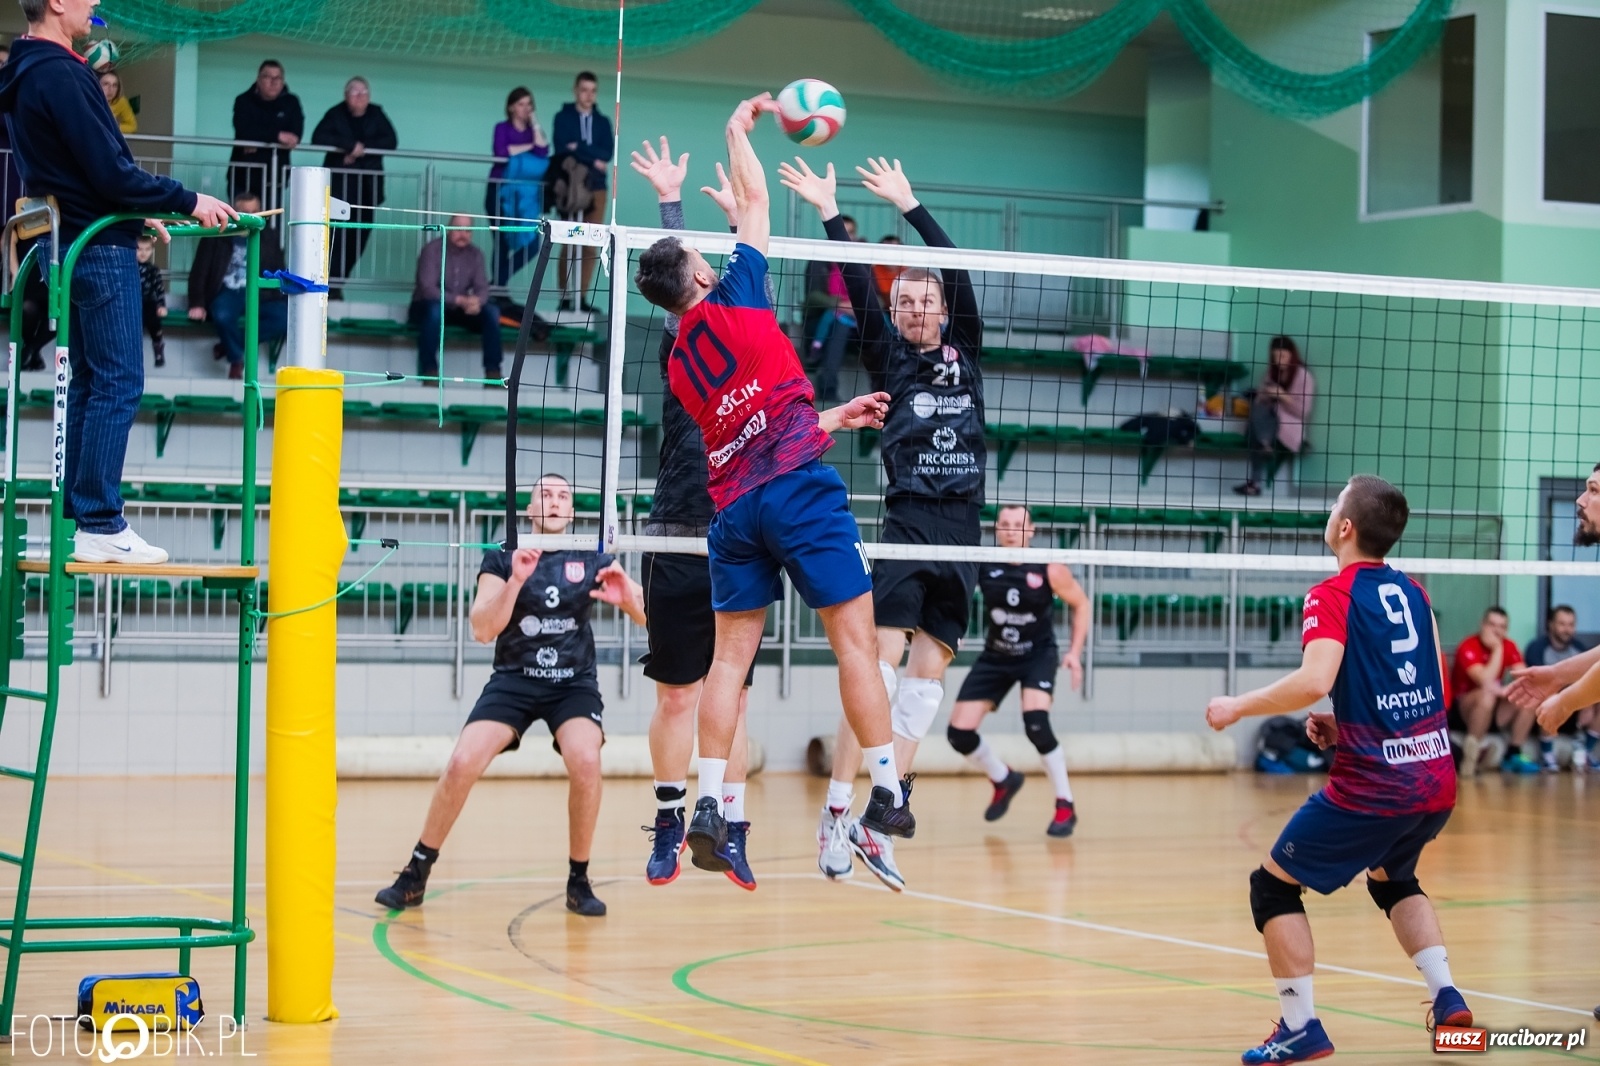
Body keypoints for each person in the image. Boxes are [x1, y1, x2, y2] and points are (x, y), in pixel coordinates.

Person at [633, 94, 913, 883]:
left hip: (735, 511)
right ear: (697, 273)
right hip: (796, 491)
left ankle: (714, 804)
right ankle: (887, 789)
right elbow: (756, 200)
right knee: (855, 641)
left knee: (725, 667)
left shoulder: (682, 362)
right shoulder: (739, 293)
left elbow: (756, 426)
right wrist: (737, 127)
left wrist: (830, 417)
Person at [1205, 474, 1470, 1064]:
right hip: (1435, 777)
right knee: (1394, 878)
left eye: (1333, 506)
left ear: (1345, 528)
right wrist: (1349, 727)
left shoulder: (1332, 594)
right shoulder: (1417, 595)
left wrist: (1237, 705)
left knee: (1271, 887)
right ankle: (1448, 999)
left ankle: (1301, 1029)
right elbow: (1432, 690)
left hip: (1374, 788)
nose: (1328, 513)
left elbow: (1313, 681)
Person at [781, 154, 984, 891]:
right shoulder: (889, 355)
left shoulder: (968, 349)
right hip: (906, 524)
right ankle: (837, 811)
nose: (915, 308)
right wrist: (833, 213)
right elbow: (862, 289)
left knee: (927, 685)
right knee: (876, 670)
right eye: (905, 304)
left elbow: (954, 268)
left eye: (925, 300)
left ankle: (876, 817)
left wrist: (909, 202)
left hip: (964, 531)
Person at [0, 0, 234, 565]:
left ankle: (87, 518)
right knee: (117, 383)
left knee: (91, 382)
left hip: (70, 238)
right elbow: (109, 171)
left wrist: (136, 211)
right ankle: (101, 520)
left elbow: (83, 173)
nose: (97, 2)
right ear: (57, 2)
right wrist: (188, 199)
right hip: (95, 246)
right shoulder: (61, 72)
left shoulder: (28, 70)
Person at [374, 475, 645, 918]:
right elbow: (482, 629)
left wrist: (628, 602)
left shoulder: (594, 553)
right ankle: (415, 874)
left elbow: (648, 618)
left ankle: (579, 880)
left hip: (572, 683)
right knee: (462, 761)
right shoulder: (503, 553)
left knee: (587, 760)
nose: (555, 503)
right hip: (515, 678)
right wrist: (517, 580)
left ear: (572, 511)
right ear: (530, 507)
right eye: (546, 495)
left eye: (564, 496)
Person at [629, 135, 759, 890]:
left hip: (737, 532)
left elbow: (735, 268)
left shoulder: (751, 330)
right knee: (679, 692)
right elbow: (677, 279)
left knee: (731, 693)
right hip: (677, 528)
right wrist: (672, 203)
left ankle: (731, 824)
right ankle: (674, 815)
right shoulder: (687, 340)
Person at [947, 504, 1089, 837]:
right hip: (996, 655)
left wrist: (1074, 653)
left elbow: (1081, 604)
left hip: (1037, 654)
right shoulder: (985, 564)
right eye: (1005, 524)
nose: (1011, 530)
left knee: (1036, 724)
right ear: (997, 529)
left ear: (1031, 530)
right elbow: (956, 596)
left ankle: (1065, 804)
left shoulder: (1050, 568)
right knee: (958, 734)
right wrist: (954, 630)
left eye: (1018, 524)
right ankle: (1003, 778)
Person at [186, 190, 287, 380]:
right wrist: (196, 302)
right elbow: (200, 270)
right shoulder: (217, 232)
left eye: (256, 211)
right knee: (222, 314)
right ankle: (235, 358)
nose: (252, 216)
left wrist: (281, 296)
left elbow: (278, 269)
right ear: (234, 211)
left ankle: (229, 346)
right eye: (246, 212)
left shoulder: (270, 237)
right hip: (228, 292)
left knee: (284, 318)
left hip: (260, 294)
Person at [312, 76, 397, 289]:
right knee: (334, 236)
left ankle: (339, 282)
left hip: (367, 188)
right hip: (339, 188)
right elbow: (318, 137)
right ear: (345, 95)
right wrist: (348, 145)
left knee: (360, 235)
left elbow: (391, 140)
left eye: (364, 92)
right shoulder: (335, 113)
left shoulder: (376, 113)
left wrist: (361, 149)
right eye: (354, 92)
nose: (359, 97)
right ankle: (329, 281)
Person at [409, 215, 500, 381]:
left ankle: (493, 373)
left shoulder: (476, 254)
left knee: (491, 312)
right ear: (448, 229)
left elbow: (482, 288)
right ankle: (429, 371)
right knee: (434, 311)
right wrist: (460, 300)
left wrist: (476, 301)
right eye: (458, 228)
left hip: (458, 310)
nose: (463, 234)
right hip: (425, 306)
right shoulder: (432, 250)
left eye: (468, 230)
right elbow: (428, 289)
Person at [551, 71, 613, 311]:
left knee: (591, 242)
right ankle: (565, 297)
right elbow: (561, 148)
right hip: (570, 187)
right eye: (584, 89)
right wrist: (591, 156)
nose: (589, 95)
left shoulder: (603, 122)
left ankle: (582, 297)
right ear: (576, 90)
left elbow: (606, 154)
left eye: (593, 90)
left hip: (596, 186)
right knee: (569, 240)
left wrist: (579, 148)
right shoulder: (562, 118)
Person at [1451, 606, 1538, 776]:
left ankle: (1513, 753)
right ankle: (1471, 756)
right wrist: (1498, 649)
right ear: (1482, 624)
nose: (1496, 631)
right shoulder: (1468, 646)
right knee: (1487, 694)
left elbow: (1526, 680)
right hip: (1464, 710)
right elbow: (1485, 681)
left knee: (1530, 695)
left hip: (1494, 708)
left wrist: (1507, 690)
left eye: (1502, 627)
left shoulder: (1509, 645)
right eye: (1492, 625)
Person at [1234, 336, 1315, 497]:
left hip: (1289, 425)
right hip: (1268, 421)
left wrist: (1282, 395)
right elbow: (1259, 401)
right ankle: (1264, 448)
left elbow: (1303, 411)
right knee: (1256, 414)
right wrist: (1264, 394)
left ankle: (1255, 482)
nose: (1279, 360)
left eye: (1283, 356)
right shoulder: (1271, 374)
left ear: (1292, 355)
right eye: (1276, 356)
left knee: (1254, 432)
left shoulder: (1303, 376)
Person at [1522, 604, 1596, 772]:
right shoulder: (1537, 648)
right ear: (1551, 624)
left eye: (1571, 625)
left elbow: (1592, 676)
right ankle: (1547, 753)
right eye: (1562, 624)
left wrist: (1588, 702)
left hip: (1574, 704)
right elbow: (1540, 683)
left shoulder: (1579, 649)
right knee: (1548, 694)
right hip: (1548, 705)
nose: (1566, 629)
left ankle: (1586, 750)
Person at [487, 86, 549, 287]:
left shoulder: (534, 131)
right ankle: (498, 288)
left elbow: (543, 150)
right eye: (521, 104)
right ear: (511, 107)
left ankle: (497, 284)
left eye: (529, 104)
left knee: (532, 244)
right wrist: (529, 147)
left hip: (526, 198)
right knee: (502, 241)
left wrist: (536, 123)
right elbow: (502, 153)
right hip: (499, 191)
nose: (526, 108)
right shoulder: (502, 128)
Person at [801, 214, 857, 404]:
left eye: (849, 233)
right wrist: (840, 305)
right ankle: (828, 391)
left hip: (858, 324)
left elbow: (876, 299)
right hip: (822, 324)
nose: (845, 237)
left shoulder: (863, 260)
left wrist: (857, 308)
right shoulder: (819, 261)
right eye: (841, 232)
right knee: (838, 326)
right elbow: (813, 296)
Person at [229, 59, 302, 202]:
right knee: (242, 222)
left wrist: (258, 138)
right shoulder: (243, 100)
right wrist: (277, 135)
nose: (273, 82)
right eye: (268, 77)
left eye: (278, 78)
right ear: (258, 79)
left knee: (270, 222)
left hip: (275, 177)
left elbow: (295, 136)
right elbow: (244, 131)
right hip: (243, 175)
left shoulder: (291, 102)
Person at [134, 233, 164, 368]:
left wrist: (161, 305)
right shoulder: (129, 268)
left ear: (152, 250)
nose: (143, 253)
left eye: (147, 249)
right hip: (133, 303)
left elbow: (159, 289)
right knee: (134, 329)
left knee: (154, 323)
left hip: (149, 303)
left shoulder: (153, 270)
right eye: (139, 249)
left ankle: (158, 350)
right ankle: (134, 355)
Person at [98, 69, 132, 133]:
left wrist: (115, 126)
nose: (111, 89)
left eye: (115, 85)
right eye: (106, 84)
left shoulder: (120, 101)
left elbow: (132, 126)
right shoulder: (88, 99)